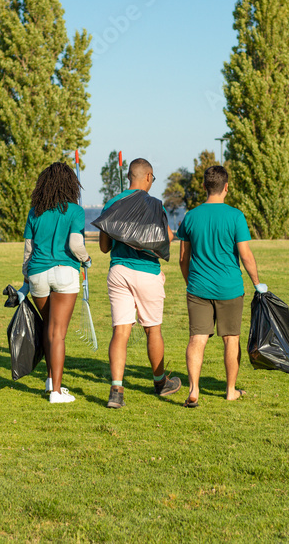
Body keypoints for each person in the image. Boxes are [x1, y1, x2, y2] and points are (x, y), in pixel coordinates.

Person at [176, 165, 266, 408]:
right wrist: (257, 283)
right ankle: (230, 390)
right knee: (231, 340)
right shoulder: (236, 216)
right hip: (230, 288)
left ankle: (194, 390)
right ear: (226, 187)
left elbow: (183, 258)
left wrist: (190, 282)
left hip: (198, 287)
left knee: (197, 338)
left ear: (204, 186)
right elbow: (245, 255)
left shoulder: (191, 217)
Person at [99, 158, 182, 409]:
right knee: (152, 329)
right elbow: (167, 239)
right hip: (147, 273)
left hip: (119, 270)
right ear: (148, 177)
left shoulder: (113, 203)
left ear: (129, 177)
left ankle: (116, 389)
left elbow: (104, 247)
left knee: (121, 331)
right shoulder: (155, 205)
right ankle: (160, 382)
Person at [19, 161, 91, 404]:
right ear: (71, 184)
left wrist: (25, 283)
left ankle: (51, 380)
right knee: (58, 334)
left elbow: (28, 253)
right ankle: (56, 393)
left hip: (37, 275)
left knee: (49, 329)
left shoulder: (34, 211)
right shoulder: (75, 211)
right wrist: (87, 259)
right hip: (64, 273)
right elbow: (74, 244)